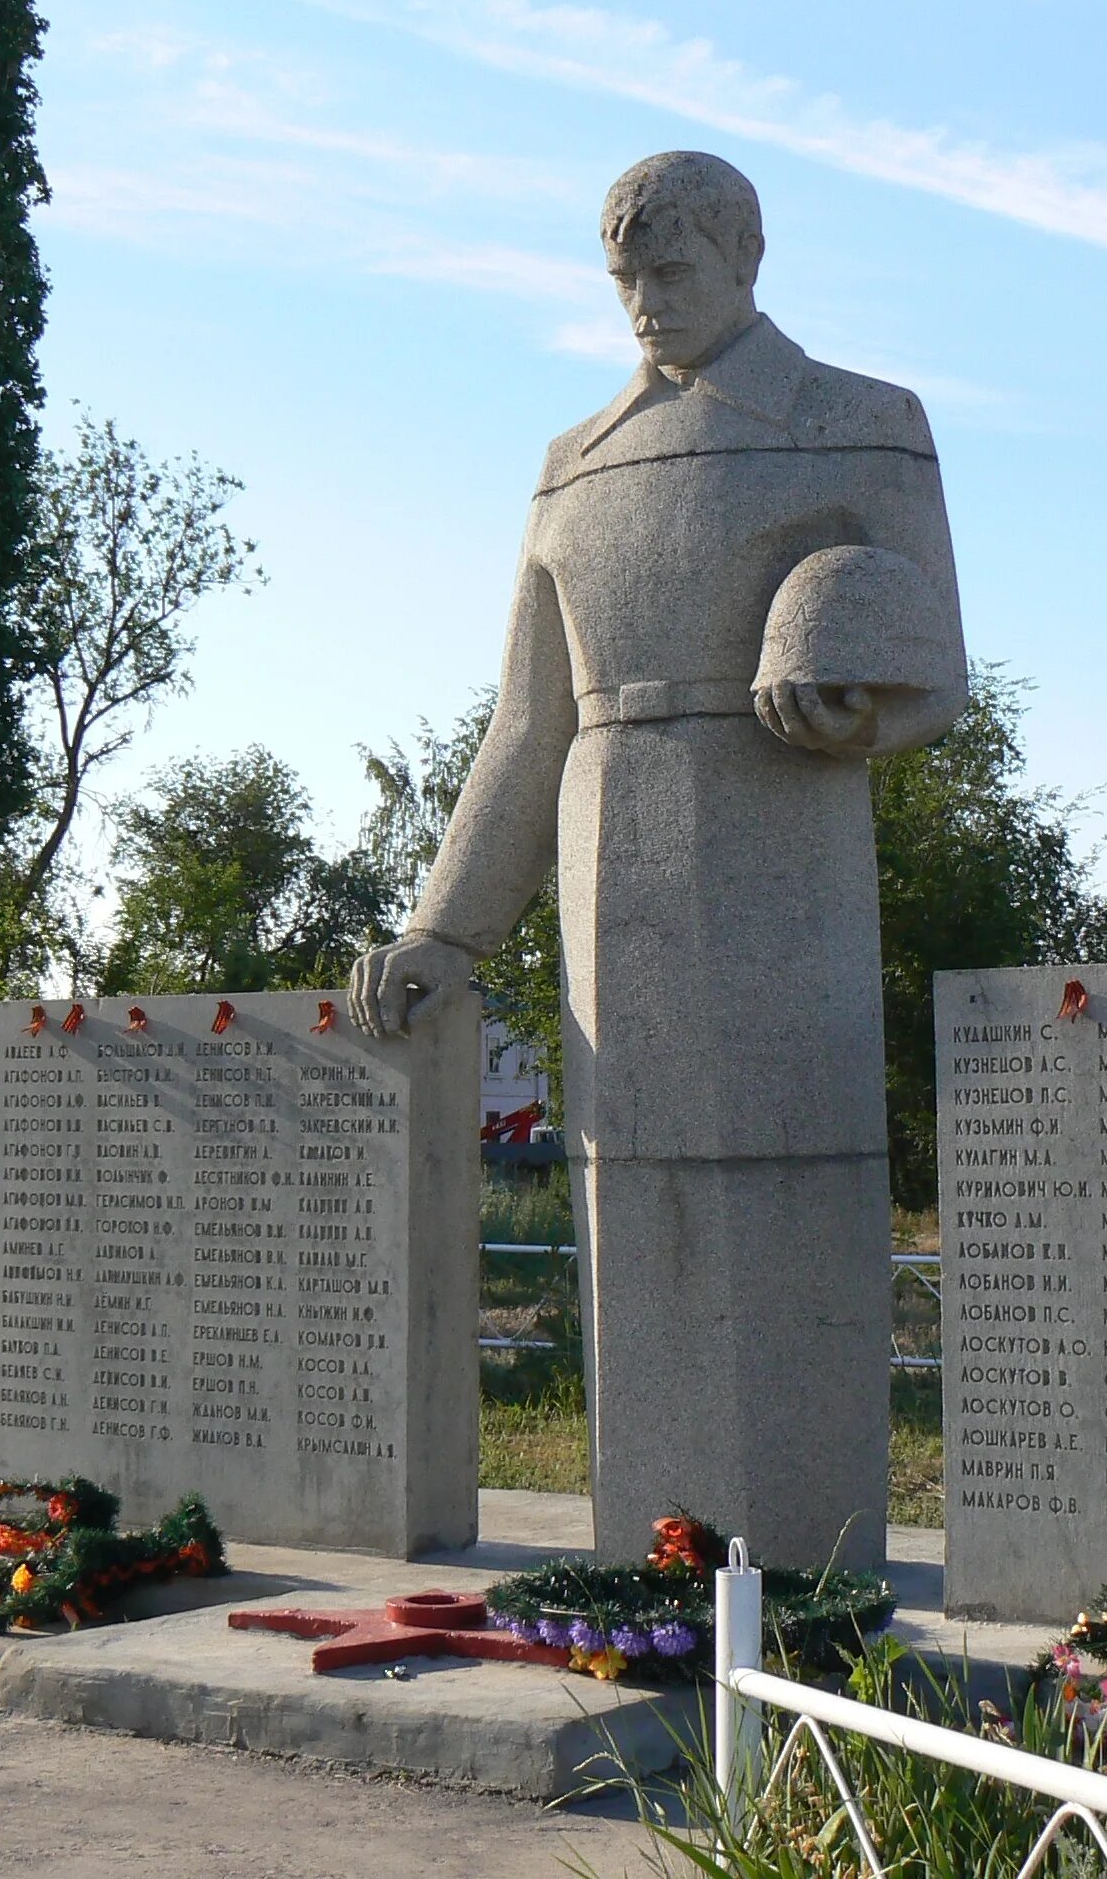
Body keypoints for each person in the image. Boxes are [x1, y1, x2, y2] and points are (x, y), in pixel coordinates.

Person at [348, 150, 965, 1564]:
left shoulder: (861, 424)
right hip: (604, 845)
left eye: (671, 271)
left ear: (747, 254)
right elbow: (525, 723)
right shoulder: (577, 465)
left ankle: (801, 1572)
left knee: (791, 1178)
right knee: (628, 1196)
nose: (644, 302)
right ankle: (658, 1554)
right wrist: (446, 931)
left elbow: (938, 668)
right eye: (623, 277)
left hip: (782, 835)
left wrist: (858, 701)